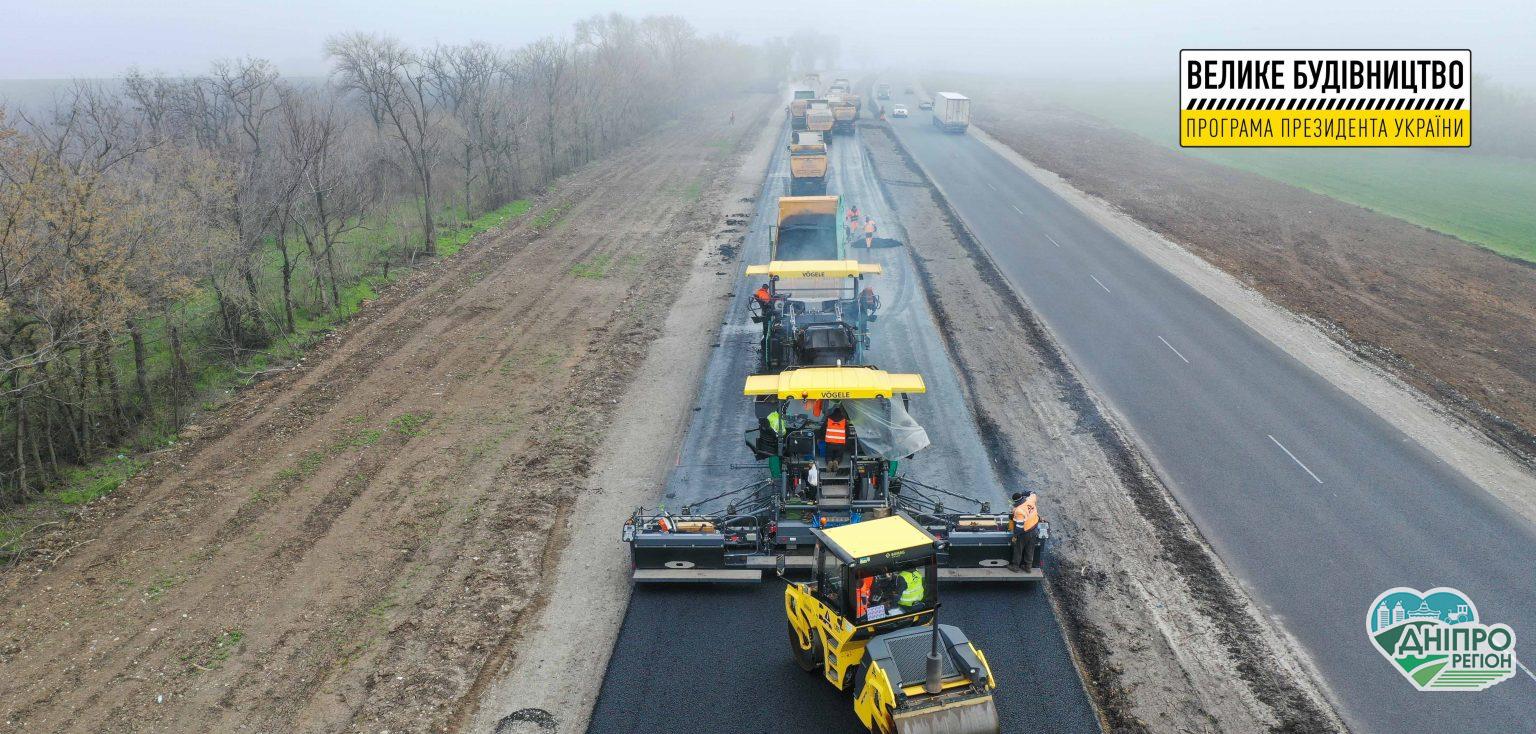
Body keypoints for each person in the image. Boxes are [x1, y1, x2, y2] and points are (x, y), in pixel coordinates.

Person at [1008, 491, 1041, 572]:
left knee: (1018, 549)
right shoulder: (1030, 500)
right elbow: (1033, 493)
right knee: (1030, 548)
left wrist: (1015, 536)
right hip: (1035, 529)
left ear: (1015, 502)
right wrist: (1023, 493)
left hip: (1025, 533)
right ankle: (1028, 567)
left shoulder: (1018, 511)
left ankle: (1015, 567)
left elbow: (1019, 527)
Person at [823, 405, 849, 472]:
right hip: (840, 443)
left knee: (828, 455)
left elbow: (823, 430)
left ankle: (829, 462)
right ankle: (836, 461)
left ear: (833, 412)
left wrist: (822, 437)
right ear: (841, 412)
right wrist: (845, 439)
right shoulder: (844, 420)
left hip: (830, 443)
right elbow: (847, 432)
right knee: (839, 456)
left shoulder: (828, 419)